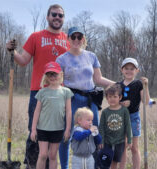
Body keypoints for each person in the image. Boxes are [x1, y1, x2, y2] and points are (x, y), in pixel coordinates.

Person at [6, 4, 70, 169]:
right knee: (35, 131)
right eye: (54, 14)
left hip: (60, 93)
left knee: (56, 131)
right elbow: (23, 61)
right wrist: (12, 52)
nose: (57, 17)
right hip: (39, 91)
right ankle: (32, 165)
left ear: (63, 19)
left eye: (60, 15)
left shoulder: (68, 40)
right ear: (48, 17)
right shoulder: (36, 36)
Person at [56, 26, 114, 169]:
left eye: (79, 37)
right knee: (67, 134)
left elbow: (98, 78)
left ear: (83, 39)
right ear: (68, 39)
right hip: (72, 100)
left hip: (90, 100)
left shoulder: (91, 56)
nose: (76, 39)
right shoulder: (61, 59)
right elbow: (56, 81)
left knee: (94, 132)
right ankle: (64, 166)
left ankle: (95, 165)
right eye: (73, 37)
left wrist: (118, 84)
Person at [30, 61, 72, 169]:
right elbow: (37, 112)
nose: (52, 77)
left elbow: (68, 112)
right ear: (46, 77)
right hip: (43, 128)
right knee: (43, 155)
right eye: (49, 74)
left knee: (53, 155)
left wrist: (67, 129)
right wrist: (33, 129)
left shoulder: (66, 92)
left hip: (57, 129)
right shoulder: (42, 92)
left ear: (60, 74)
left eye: (55, 74)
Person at [118, 57, 150, 169]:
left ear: (137, 70)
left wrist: (146, 86)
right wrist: (121, 104)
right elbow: (113, 102)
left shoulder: (138, 84)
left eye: (132, 68)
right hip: (121, 118)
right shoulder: (118, 85)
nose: (129, 71)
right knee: (123, 146)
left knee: (134, 147)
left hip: (134, 117)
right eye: (126, 68)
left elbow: (145, 101)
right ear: (122, 70)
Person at [99, 84, 132, 169]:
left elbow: (128, 125)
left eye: (115, 96)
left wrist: (129, 139)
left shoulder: (124, 110)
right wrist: (101, 140)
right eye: (110, 96)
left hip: (119, 141)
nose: (112, 99)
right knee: (106, 161)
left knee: (115, 162)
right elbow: (101, 127)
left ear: (120, 97)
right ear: (106, 98)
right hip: (107, 141)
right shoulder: (105, 112)